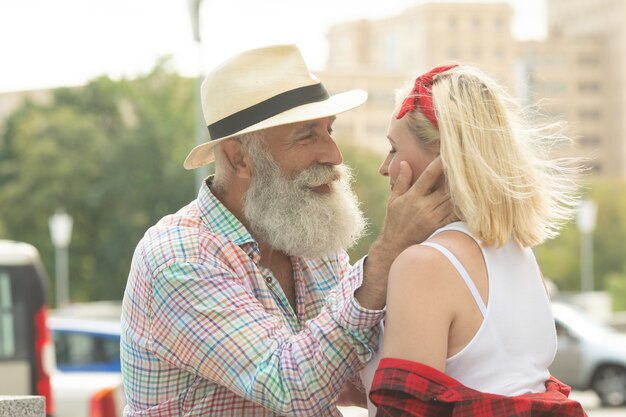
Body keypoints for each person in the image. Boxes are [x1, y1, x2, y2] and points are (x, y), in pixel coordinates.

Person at [120, 44, 454, 416]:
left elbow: (354, 375)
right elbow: (292, 387)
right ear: (239, 157)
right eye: (307, 136)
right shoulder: (180, 257)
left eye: (329, 131)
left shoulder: (307, 239)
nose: (333, 155)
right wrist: (391, 250)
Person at [360, 64, 587, 416]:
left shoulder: (425, 265)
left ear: (442, 157)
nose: (384, 167)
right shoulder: (521, 254)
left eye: (392, 148)